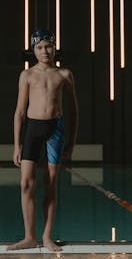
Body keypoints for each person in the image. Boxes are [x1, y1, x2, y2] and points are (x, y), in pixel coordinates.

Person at [7, 29, 78, 252]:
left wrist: (72, 143)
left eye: (48, 46)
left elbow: (74, 111)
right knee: (26, 183)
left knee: (50, 183)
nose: (44, 51)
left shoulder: (65, 74)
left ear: (55, 48)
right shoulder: (27, 75)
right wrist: (17, 144)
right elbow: (19, 112)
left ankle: (47, 237)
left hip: (55, 130)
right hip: (32, 129)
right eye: (39, 47)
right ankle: (30, 237)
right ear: (33, 50)